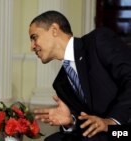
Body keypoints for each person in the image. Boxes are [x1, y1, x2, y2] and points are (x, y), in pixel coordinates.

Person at [29, 10, 131, 141]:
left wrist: (112, 121)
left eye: (34, 37)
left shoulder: (97, 41)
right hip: (98, 134)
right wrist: (70, 122)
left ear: (54, 30)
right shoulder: (60, 83)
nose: (32, 46)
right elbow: (84, 123)